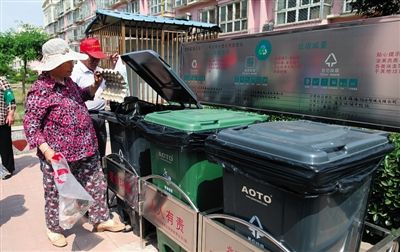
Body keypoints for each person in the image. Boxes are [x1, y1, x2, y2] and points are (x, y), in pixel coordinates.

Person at [23, 38, 125, 248]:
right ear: (56, 65)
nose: (72, 65)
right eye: (68, 62)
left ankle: (101, 220)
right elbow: (31, 125)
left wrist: (95, 85)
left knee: (96, 184)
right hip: (58, 156)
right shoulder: (40, 89)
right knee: (55, 193)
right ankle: (54, 228)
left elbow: (82, 95)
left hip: (86, 148)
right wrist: (47, 151)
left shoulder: (68, 82)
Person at [71, 37, 119, 159]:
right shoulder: (74, 74)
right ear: (82, 55)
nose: (96, 61)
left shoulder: (99, 71)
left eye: (98, 57)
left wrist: (114, 66)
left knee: (100, 153)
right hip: (83, 118)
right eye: (93, 57)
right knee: (86, 156)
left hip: (100, 117)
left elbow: (113, 85)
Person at [0, 76, 16, 180]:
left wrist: (10, 114)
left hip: (1, 120)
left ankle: (8, 170)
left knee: (5, 147)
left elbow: (10, 98)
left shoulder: (1, 80)